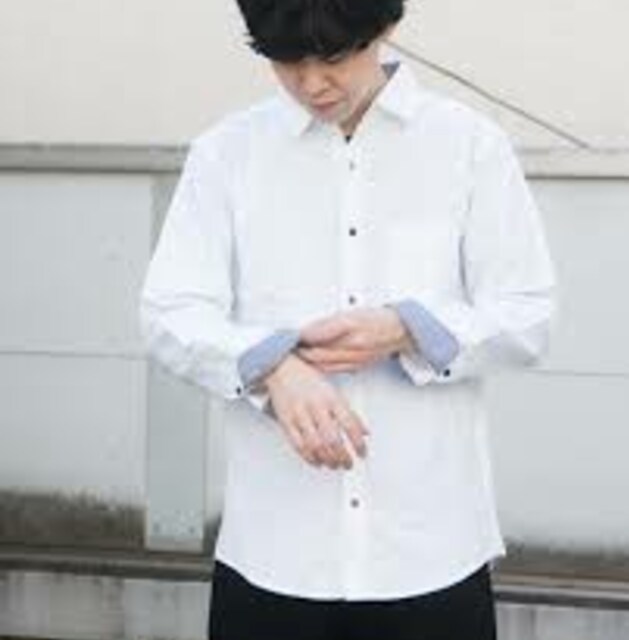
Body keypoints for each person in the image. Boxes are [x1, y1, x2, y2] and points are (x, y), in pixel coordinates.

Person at [138, 0, 556, 638]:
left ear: (385, 26)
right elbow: (170, 311)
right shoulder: (227, 154)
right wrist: (272, 367)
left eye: (333, 56)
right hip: (275, 552)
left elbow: (527, 313)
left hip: (431, 551)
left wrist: (408, 328)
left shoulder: (469, 145)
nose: (312, 83)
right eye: (287, 60)